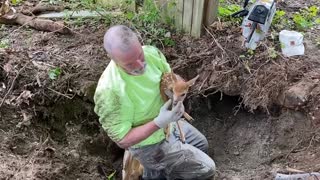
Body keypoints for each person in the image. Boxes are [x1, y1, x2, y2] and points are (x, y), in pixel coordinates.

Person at [94, 25, 216, 180]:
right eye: (130, 64)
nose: (140, 65)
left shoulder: (152, 53)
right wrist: (159, 122)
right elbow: (123, 140)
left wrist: (177, 94)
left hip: (169, 125)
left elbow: (170, 76)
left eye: (140, 56)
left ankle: (163, 171)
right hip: (148, 143)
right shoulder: (110, 91)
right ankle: (153, 172)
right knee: (207, 169)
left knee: (201, 145)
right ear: (113, 59)